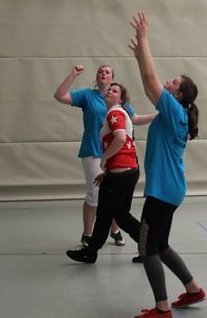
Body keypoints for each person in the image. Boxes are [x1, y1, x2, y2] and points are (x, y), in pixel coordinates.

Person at [127, 11, 205, 318]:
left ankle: (161, 310)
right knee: (161, 245)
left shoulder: (174, 109)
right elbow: (149, 84)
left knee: (147, 249)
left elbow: (149, 81)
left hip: (163, 192)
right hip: (171, 189)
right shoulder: (176, 111)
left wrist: (145, 39)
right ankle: (193, 289)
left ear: (179, 93)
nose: (167, 83)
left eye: (173, 82)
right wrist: (138, 56)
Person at [65, 82, 152, 264]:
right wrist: (109, 170)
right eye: (109, 89)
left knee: (104, 214)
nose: (109, 91)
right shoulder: (117, 114)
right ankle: (149, 247)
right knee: (121, 215)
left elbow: (120, 138)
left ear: (120, 98)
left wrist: (104, 159)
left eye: (114, 91)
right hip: (127, 172)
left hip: (121, 174)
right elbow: (125, 141)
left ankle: (91, 251)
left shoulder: (115, 113)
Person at [54, 64, 135, 248]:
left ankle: (114, 230)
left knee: (113, 193)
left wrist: (159, 115)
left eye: (107, 72)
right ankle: (88, 234)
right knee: (95, 194)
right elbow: (59, 96)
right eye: (100, 71)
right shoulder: (87, 95)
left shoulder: (117, 101)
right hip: (93, 151)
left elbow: (135, 119)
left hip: (113, 153)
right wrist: (72, 74)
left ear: (112, 78)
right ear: (97, 77)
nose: (103, 73)